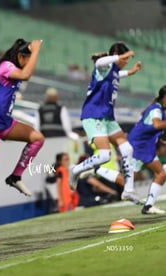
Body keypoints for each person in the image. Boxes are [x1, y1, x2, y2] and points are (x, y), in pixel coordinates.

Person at [0, 38, 43, 237]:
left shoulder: (10, 66)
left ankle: (15, 177)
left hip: (4, 122)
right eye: (27, 58)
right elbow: (27, 74)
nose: (30, 62)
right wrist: (36, 51)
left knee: (37, 138)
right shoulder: (6, 66)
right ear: (20, 56)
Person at [70, 42, 143, 204]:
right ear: (116, 56)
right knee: (104, 156)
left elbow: (117, 74)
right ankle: (76, 170)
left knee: (127, 149)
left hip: (108, 118)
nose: (125, 61)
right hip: (93, 116)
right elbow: (99, 63)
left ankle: (128, 191)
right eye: (124, 59)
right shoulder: (103, 67)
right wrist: (120, 57)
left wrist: (130, 72)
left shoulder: (114, 72)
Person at [128, 85, 166, 214]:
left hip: (143, 145)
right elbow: (156, 124)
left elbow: (150, 126)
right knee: (128, 180)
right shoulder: (156, 109)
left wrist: (160, 140)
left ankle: (148, 206)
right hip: (140, 145)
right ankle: (98, 169)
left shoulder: (159, 109)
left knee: (129, 179)